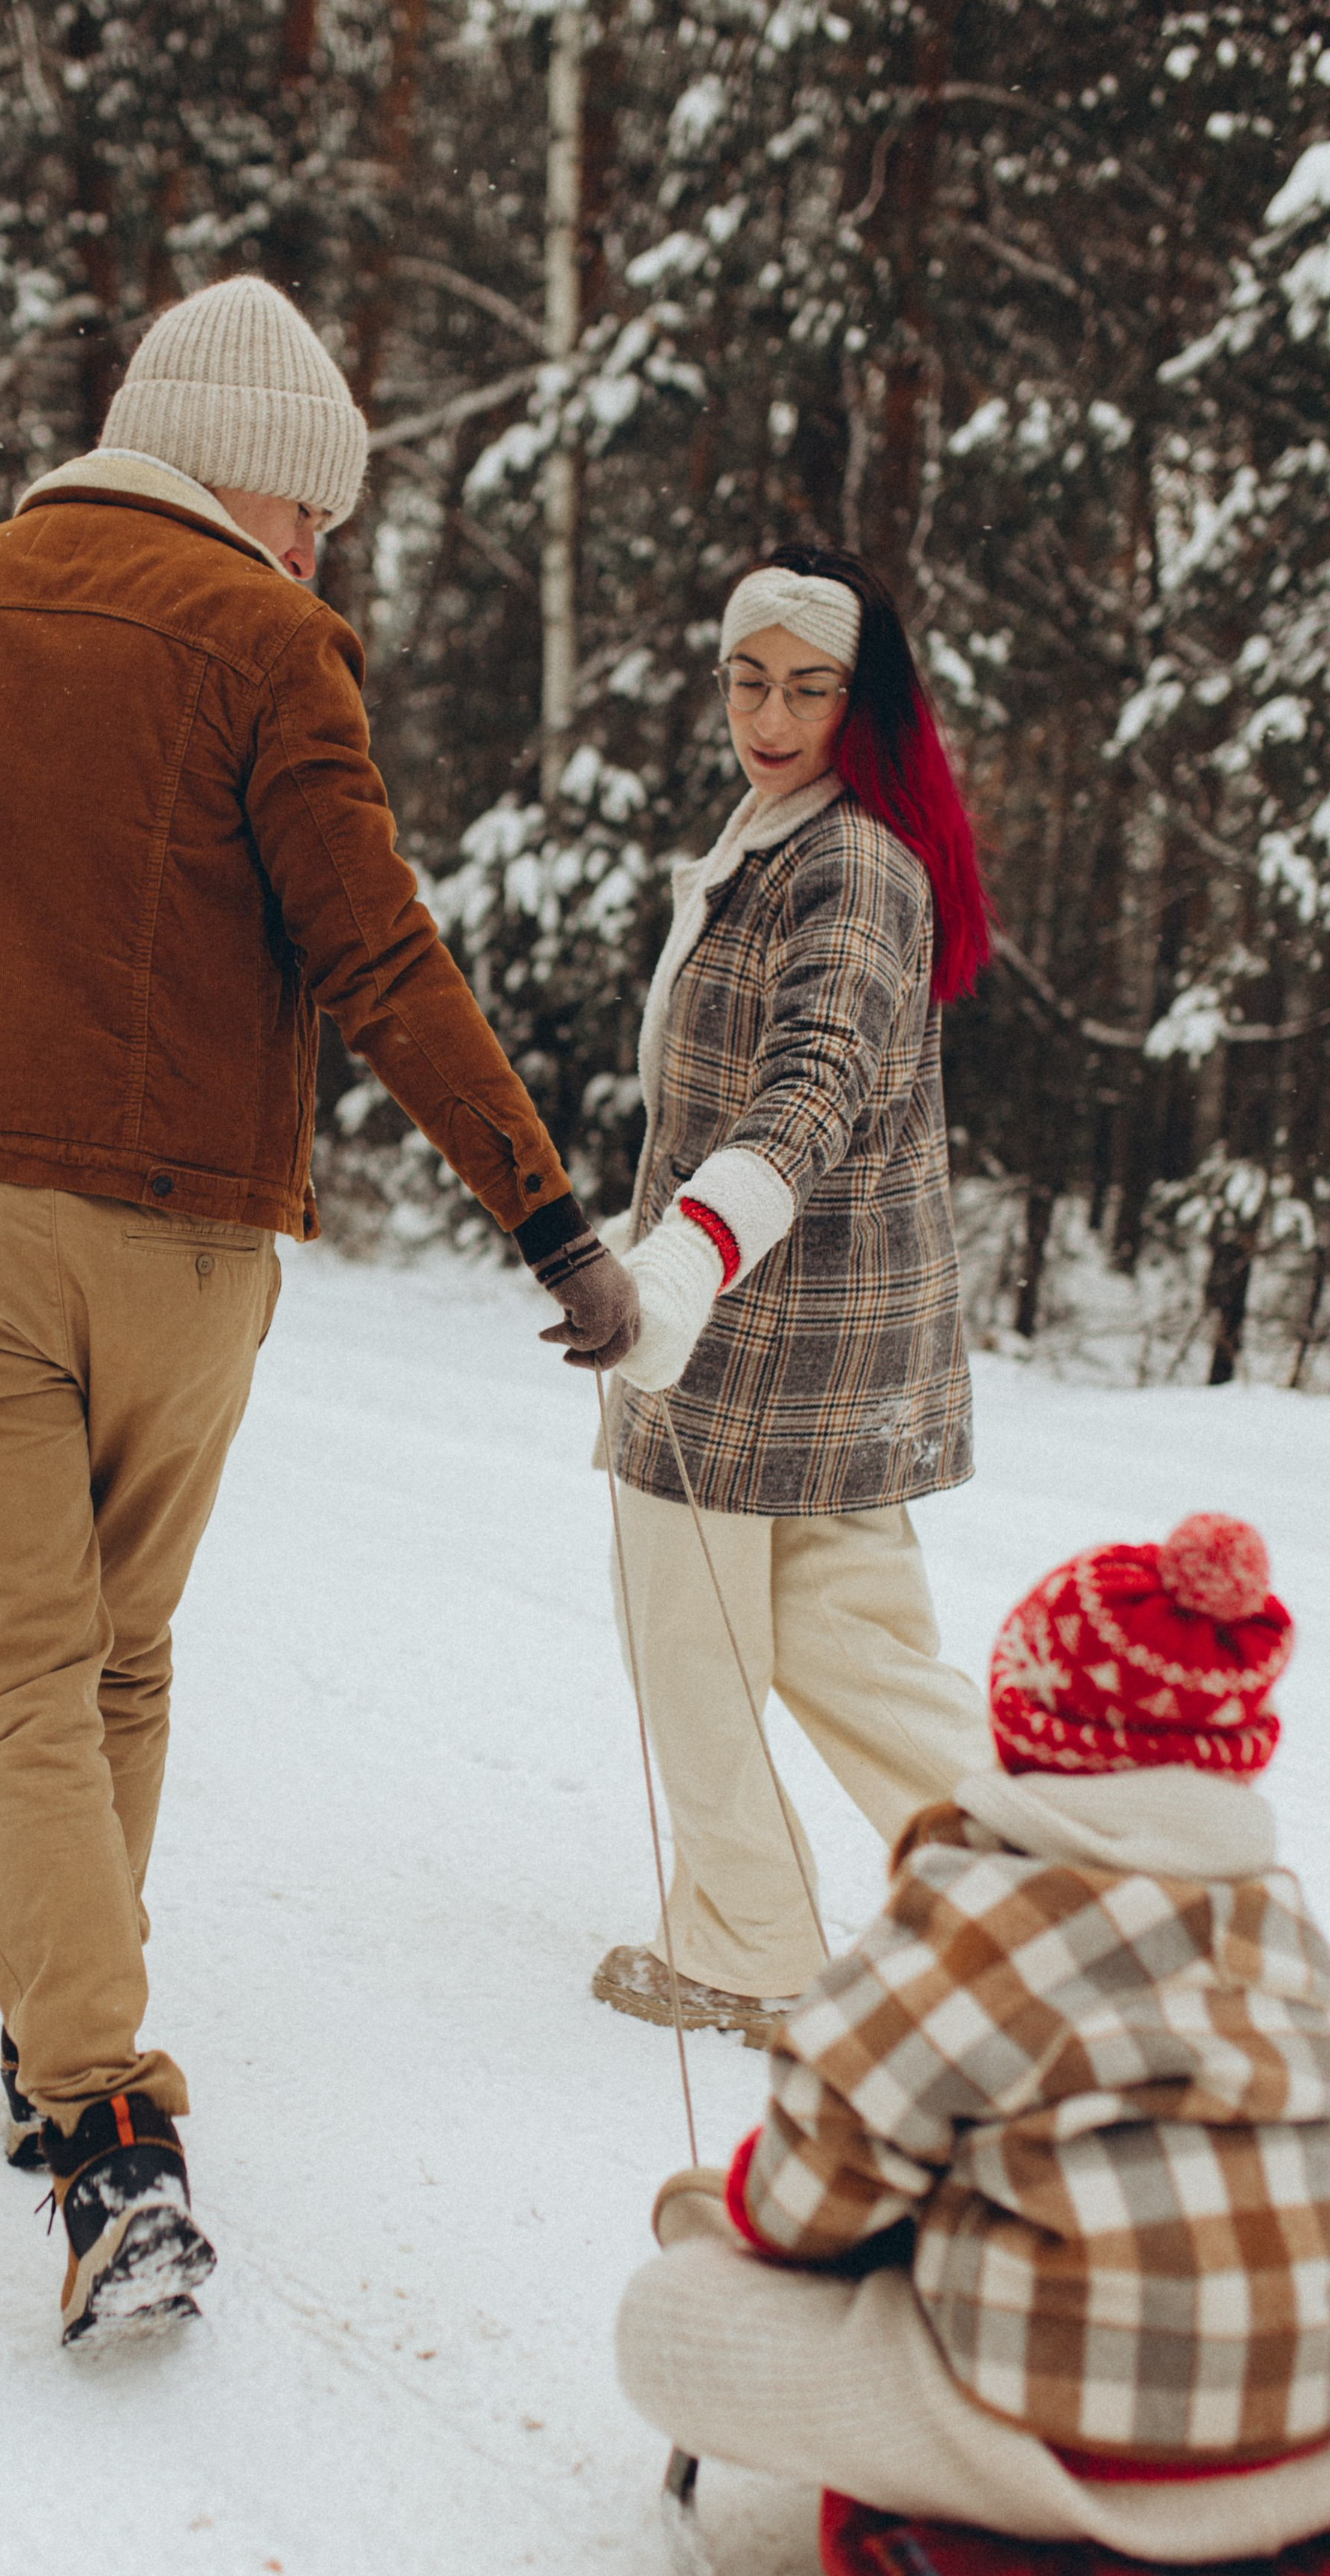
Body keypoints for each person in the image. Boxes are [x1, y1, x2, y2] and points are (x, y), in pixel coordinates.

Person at [0, 274, 637, 2345]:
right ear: (252, 478)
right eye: (321, 512)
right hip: (188, 1250)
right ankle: (88, 2088)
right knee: (120, 1654)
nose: (324, 550)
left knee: (20, 1667)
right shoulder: (271, 643)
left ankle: (78, 2092)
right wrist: (548, 1220)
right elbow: (379, 957)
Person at [616, 1510, 1330, 2553]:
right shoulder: (1289, 1931)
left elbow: (803, 2205)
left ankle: (1040, 2515)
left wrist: (756, 2226)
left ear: (1029, 1734)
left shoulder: (981, 1916)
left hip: (1078, 2441)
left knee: (666, 2317)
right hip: (1304, 2420)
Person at [591, 545, 997, 2042]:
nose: (768, 713)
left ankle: (746, 1947)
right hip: (831, 1340)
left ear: (859, 698)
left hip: (740, 1333)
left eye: (805, 686)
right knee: (854, 1650)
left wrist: (677, 1266)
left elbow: (808, 1088)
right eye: (745, 679)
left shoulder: (845, 863)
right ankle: (1062, 1916)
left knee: (688, 1640)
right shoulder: (792, 832)